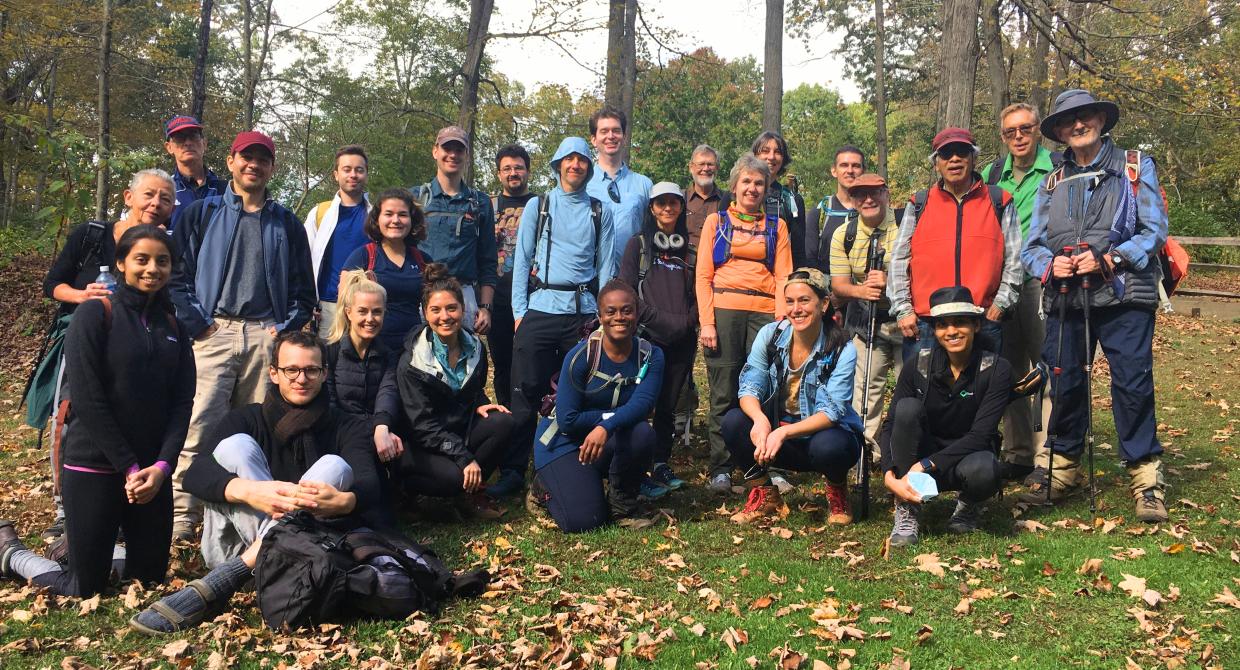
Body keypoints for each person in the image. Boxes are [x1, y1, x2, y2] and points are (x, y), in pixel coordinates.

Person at [128, 330, 381, 634]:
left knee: (333, 465)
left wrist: (346, 500)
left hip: (302, 558)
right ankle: (249, 562)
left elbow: (370, 482)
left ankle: (222, 582)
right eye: (291, 370)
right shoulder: (246, 418)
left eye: (312, 370)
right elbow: (196, 474)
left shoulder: (346, 425)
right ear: (274, 373)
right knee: (235, 447)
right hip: (232, 547)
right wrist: (251, 491)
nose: (301, 379)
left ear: (325, 373)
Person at [1, 225, 194, 596]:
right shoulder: (95, 313)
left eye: (162, 261)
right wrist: (130, 467)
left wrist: (161, 467)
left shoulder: (173, 325)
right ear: (121, 263)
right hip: (95, 464)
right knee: (83, 585)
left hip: (151, 476)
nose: (152, 268)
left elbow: (182, 402)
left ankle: (92, 548)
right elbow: (88, 399)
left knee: (148, 580)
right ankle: (11, 553)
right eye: (142, 259)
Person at [1018, 89, 1170, 522]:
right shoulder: (1052, 180)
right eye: (1069, 121)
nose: (1077, 125)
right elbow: (1033, 246)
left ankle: (1147, 478)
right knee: (1062, 382)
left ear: (1101, 121)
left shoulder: (1134, 167)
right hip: (1067, 297)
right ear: (1061, 132)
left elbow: (1154, 230)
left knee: (1131, 382)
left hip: (1125, 294)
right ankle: (1063, 469)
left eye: (1085, 117)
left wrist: (1112, 257)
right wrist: (1052, 266)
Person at [168, 130, 316, 540]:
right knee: (200, 426)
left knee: (254, 432)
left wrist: (282, 330)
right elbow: (176, 278)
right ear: (231, 161)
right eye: (246, 157)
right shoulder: (203, 212)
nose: (254, 165)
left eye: (262, 159)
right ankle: (183, 514)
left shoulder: (286, 222)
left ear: (271, 168)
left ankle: (247, 515)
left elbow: (305, 292)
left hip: (265, 336)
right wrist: (200, 325)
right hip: (214, 330)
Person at [28, 169, 179, 543]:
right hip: (86, 338)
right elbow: (53, 285)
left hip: (139, 347)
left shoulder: (166, 247)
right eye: (148, 195)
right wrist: (83, 297)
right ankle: (67, 512)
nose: (155, 204)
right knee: (72, 416)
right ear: (128, 196)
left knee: (134, 415)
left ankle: (122, 502)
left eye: (164, 198)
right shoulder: (92, 236)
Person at [490, 136, 616, 499]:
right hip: (540, 309)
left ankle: (568, 462)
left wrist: (603, 317)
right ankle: (515, 468)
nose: (575, 165)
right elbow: (522, 261)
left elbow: (606, 266)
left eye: (581, 160)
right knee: (524, 389)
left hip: (584, 313)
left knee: (576, 392)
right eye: (569, 159)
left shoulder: (599, 210)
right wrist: (519, 313)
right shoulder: (539, 205)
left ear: (588, 167)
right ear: (558, 164)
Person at [722, 269, 862, 525]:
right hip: (777, 436)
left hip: (821, 438)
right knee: (733, 422)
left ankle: (837, 490)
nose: (796, 309)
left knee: (830, 447)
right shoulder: (770, 335)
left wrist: (783, 433)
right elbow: (749, 387)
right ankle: (764, 494)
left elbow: (831, 412)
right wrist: (760, 421)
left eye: (805, 300)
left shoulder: (843, 348)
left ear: (824, 304)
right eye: (790, 301)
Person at [526, 280, 665, 532]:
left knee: (642, 433)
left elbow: (643, 404)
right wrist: (610, 421)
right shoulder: (581, 356)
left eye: (627, 310)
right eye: (611, 311)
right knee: (584, 521)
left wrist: (606, 426)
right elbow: (568, 419)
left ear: (637, 313)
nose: (619, 317)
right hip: (563, 441)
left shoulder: (650, 355)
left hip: (604, 436)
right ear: (600, 316)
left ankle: (622, 503)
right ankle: (542, 488)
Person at [881, 286, 1011, 546]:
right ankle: (907, 507)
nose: (951, 332)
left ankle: (968, 506)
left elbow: (981, 435)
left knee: (986, 470)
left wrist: (927, 464)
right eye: (943, 325)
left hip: (968, 457)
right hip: (922, 456)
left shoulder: (997, 368)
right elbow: (891, 423)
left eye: (960, 322)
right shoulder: (917, 365)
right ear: (935, 331)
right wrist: (889, 474)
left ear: (976, 325)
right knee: (907, 408)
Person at [696, 153, 794, 493]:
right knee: (723, 390)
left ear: (766, 189)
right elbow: (703, 276)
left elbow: (784, 276)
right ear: (735, 185)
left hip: (766, 314)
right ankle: (721, 467)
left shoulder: (776, 226)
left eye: (759, 183)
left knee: (766, 389)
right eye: (747, 181)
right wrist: (707, 323)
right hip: (724, 311)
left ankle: (767, 463)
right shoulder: (716, 222)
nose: (752, 188)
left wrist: (782, 322)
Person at [887, 127, 1022, 362]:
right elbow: (899, 259)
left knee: (981, 395)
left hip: (982, 319)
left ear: (973, 158)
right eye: (946, 154)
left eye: (962, 152)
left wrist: (1001, 303)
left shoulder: (999, 200)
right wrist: (903, 309)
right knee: (923, 395)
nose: (954, 159)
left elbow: (1015, 258)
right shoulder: (919, 203)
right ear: (936, 163)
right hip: (927, 323)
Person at [396, 264, 514, 519]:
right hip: (421, 444)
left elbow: (474, 390)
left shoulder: (476, 348)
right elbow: (420, 425)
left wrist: (481, 401)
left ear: (463, 309)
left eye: (452, 308)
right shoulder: (412, 361)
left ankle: (470, 494)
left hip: (456, 432)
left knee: (503, 422)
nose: (445, 316)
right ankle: (409, 491)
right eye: (435, 310)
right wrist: (463, 456)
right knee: (453, 477)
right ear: (425, 314)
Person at [982, 103, 1060, 484]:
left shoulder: (1059, 169)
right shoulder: (992, 174)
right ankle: (1018, 455)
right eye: (1010, 132)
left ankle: (1050, 457)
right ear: (1002, 136)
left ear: (1038, 131)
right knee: (1010, 369)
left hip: (1043, 281)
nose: (1018, 137)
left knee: (1047, 365)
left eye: (1025, 129)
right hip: (1002, 284)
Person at [618, 182, 697, 494]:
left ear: (680, 208)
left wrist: (686, 324)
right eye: (661, 203)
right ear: (651, 208)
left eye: (673, 203)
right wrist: (660, 321)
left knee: (668, 406)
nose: (667, 209)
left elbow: (698, 295)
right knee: (640, 403)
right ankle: (633, 467)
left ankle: (661, 463)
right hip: (647, 338)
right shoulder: (636, 246)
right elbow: (627, 293)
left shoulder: (689, 249)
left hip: (682, 339)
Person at [828, 174, 902, 460]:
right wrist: (863, 291)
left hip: (905, 319)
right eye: (860, 194)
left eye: (874, 193)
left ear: (885, 193)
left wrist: (890, 281)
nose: (868, 199)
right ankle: (866, 449)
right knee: (866, 388)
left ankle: (905, 446)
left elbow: (922, 269)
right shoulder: (843, 234)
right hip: (865, 321)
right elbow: (838, 285)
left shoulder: (905, 224)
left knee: (911, 385)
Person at [412, 126, 497, 334]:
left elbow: (488, 260)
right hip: (422, 293)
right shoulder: (414, 198)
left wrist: (485, 308)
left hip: (463, 295)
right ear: (435, 151)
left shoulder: (480, 203)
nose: (452, 155)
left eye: (459, 150)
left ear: (466, 155)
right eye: (447, 148)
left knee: (462, 362)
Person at [324, 270, 402, 468]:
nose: (370, 318)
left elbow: (388, 394)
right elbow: (330, 405)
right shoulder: (329, 353)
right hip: (340, 436)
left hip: (378, 434)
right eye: (363, 311)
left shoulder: (389, 356)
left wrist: (382, 427)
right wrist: (371, 430)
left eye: (377, 311)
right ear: (348, 312)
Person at [342, 189, 430, 353]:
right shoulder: (362, 257)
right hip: (371, 351)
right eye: (388, 214)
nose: (395, 220)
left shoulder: (423, 261)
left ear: (412, 220)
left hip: (414, 350)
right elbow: (343, 310)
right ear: (377, 219)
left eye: (402, 214)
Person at [306, 145, 372, 338]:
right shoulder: (320, 213)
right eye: (347, 169)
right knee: (327, 364)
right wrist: (308, 303)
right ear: (336, 174)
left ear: (366, 174)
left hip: (365, 306)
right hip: (327, 308)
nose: (353, 174)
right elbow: (304, 260)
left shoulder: (376, 216)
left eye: (359, 170)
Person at [490, 144, 537, 407]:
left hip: (532, 298)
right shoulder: (489, 206)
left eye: (518, 167)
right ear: (499, 174)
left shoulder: (541, 205)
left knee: (532, 360)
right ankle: (506, 415)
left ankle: (531, 417)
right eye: (507, 168)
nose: (513, 172)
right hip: (498, 299)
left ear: (527, 171)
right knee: (503, 363)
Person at [586, 107, 652, 262]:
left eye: (616, 130)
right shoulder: (583, 185)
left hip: (629, 277)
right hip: (588, 277)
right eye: (604, 131)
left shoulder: (644, 185)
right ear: (594, 139)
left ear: (624, 136)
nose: (611, 136)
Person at [752, 131, 809, 268]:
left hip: (778, 273)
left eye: (777, 152)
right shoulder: (736, 194)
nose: (771, 157)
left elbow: (798, 250)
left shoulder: (792, 200)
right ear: (755, 155)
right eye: (765, 151)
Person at [163, 115, 227, 231]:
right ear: (169, 147)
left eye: (193, 136)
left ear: (204, 143)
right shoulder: (164, 190)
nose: (188, 143)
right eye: (180, 138)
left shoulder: (226, 190)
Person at [808, 146, 866, 272]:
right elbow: (809, 260)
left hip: (865, 286)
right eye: (844, 165)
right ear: (834, 171)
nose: (850, 170)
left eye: (856, 166)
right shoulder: (819, 213)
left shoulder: (873, 212)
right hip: (826, 287)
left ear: (863, 171)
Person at [683, 144, 731, 250]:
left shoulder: (728, 201)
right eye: (701, 164)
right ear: (691, 167)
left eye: (710, 164)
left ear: (717, 168)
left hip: (717, 263)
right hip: (684, 263)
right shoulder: (680, 199)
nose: (705, 168)